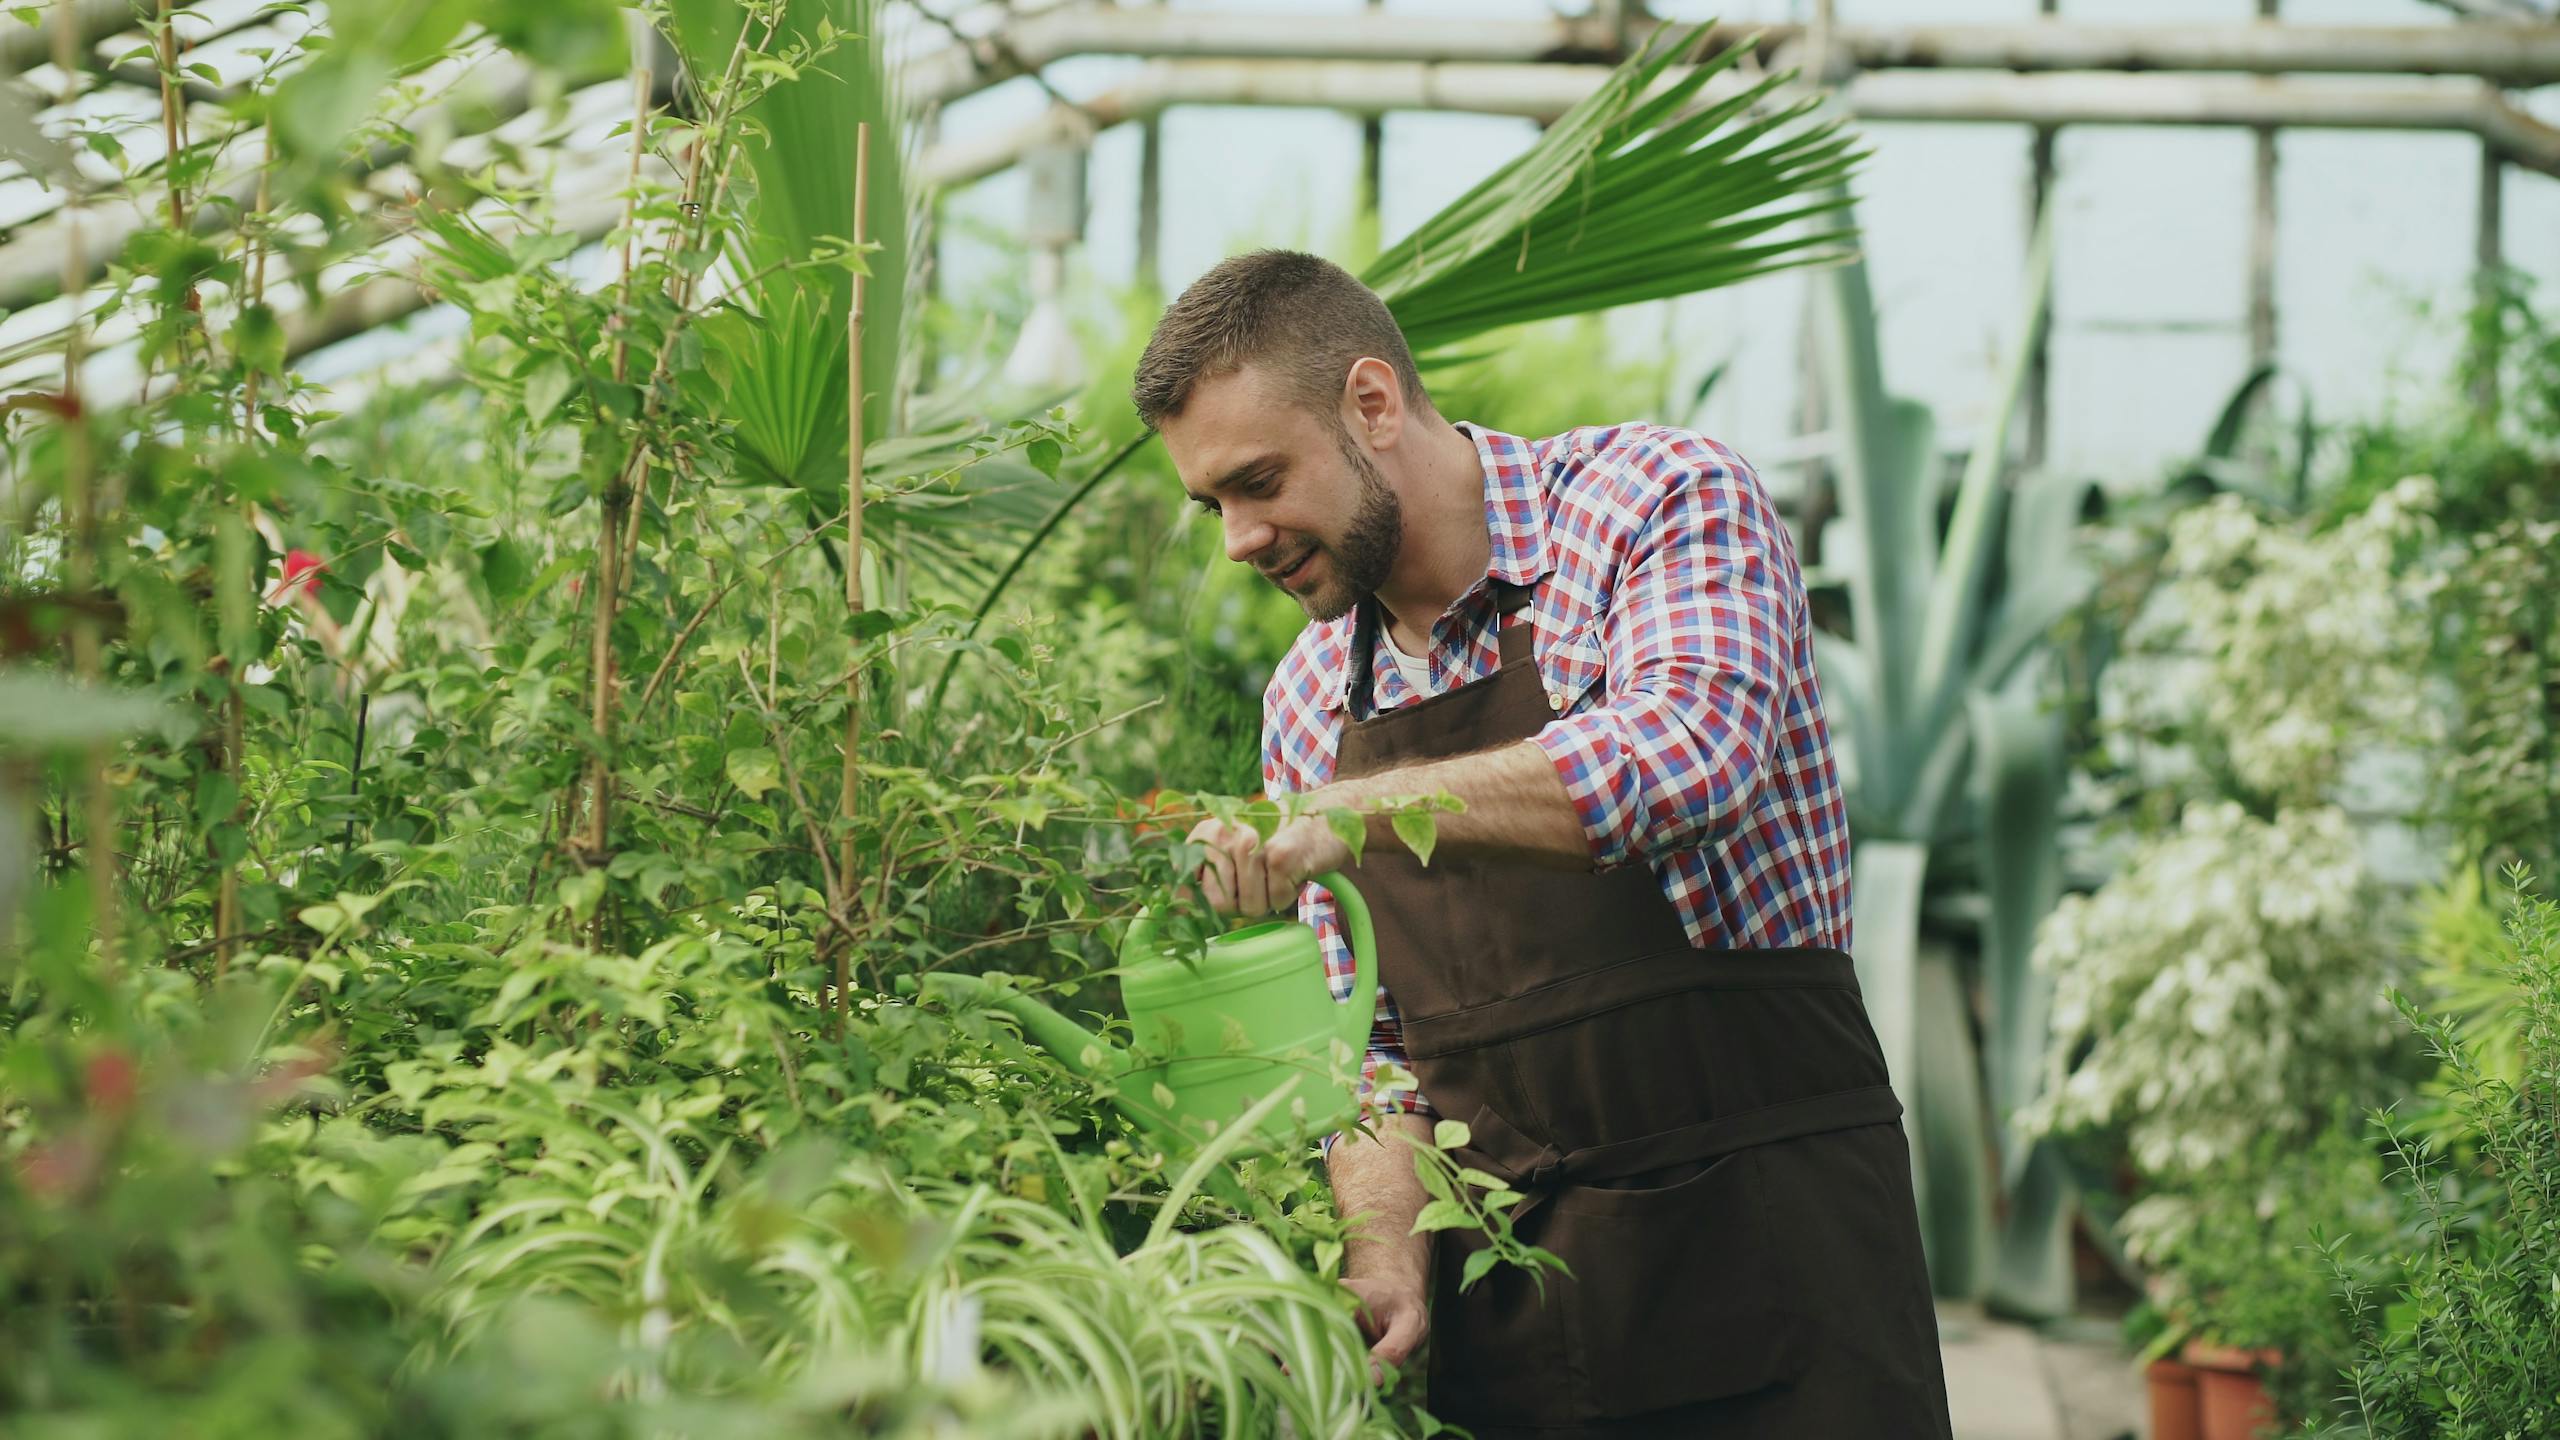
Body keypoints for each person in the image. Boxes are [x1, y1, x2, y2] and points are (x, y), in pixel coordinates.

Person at [1132, 250, 1953, 1438]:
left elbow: (1687, 755)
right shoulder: (1310, 699)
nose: (1239, 540)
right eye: (1213, 505)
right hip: (1519, 1328)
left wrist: (1353, 814)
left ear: (1371, 403)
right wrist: (1383, 1259)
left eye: (1259, 482)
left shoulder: (1653, 500)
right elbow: (1377, 1050)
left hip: (1775, 1269)